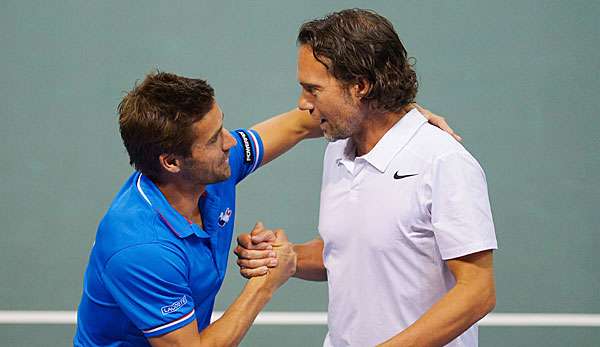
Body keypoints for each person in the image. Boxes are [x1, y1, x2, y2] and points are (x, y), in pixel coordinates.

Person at [74, 71, 455, 346]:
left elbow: (300, 125)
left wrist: (395, 115)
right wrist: (265, 283)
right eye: (213, 139)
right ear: (171, 161)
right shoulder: (141, 248)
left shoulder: (210, 170)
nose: (230, 143)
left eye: (222, 126)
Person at [235, 9, 497, 347]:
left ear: (360, 85)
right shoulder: (338, 150)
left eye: (313, 89)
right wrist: (289, 256)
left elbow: (477, 292)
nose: (303, 104)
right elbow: (349, 252)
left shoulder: (444, 161)